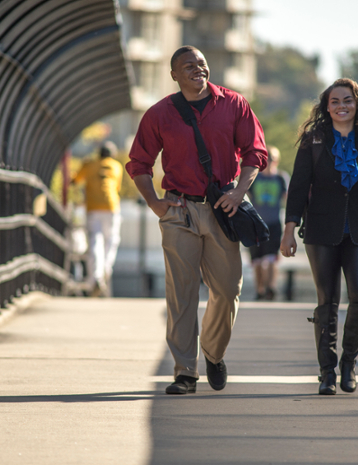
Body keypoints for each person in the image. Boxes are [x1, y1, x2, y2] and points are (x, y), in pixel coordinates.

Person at [126, 46, 267, 394]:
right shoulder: (160, 113)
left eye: (202, 63)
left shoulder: (234, 104)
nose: (197, 69)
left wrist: (239, 192)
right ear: (174, 75)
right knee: (182, 294)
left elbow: (256, 152)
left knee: (227, 289)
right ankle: (185, 372)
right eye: (188, 66)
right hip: (179, 212)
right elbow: (139, 163)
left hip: (224, 209)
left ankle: (214, 354)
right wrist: (155, 203)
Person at [280, 78, 358, 396]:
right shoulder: (313, 139)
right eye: (335, 101)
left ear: (357, 104)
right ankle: (327, 373)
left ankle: (349, 364)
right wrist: (289, 230)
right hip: (320, 230)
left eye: (347, 100)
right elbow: (299, 187)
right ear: (326, 106)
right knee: (327, 302)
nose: (341, 106)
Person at [72, 141, 123, 297]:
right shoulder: (117, 166)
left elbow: (75, 181)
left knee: (96, 240)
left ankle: (96, 275)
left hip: (93, 208)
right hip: (112, 207)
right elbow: (117, 188)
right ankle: (106, 269)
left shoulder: (89, 164)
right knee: (112, 240)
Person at [247, 146, 289, 300]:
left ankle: (271, 287)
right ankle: (260, 289)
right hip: (256, 224)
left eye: (272, 159)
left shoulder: (280, 178)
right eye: (266, 160)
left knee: (271, 258)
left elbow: (287, 198)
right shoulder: (255, 177)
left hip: (273, 223)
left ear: (276, 161)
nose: (269, 162)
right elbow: (246, 196)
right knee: (257, 260)